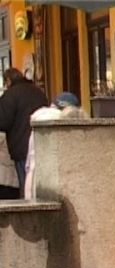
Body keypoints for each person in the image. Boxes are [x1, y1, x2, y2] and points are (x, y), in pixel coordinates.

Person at [25, 92, 86, 200]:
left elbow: (28, 162)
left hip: (33, 178)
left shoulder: (37, 121)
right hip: (54, 184)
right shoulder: (64, 122)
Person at [0, 68, 48, 197]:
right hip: (42, 143)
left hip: (20, 146)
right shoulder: (38, 91)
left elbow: (3, 122)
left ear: (8, 81)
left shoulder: (10, 95)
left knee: (25, 183)